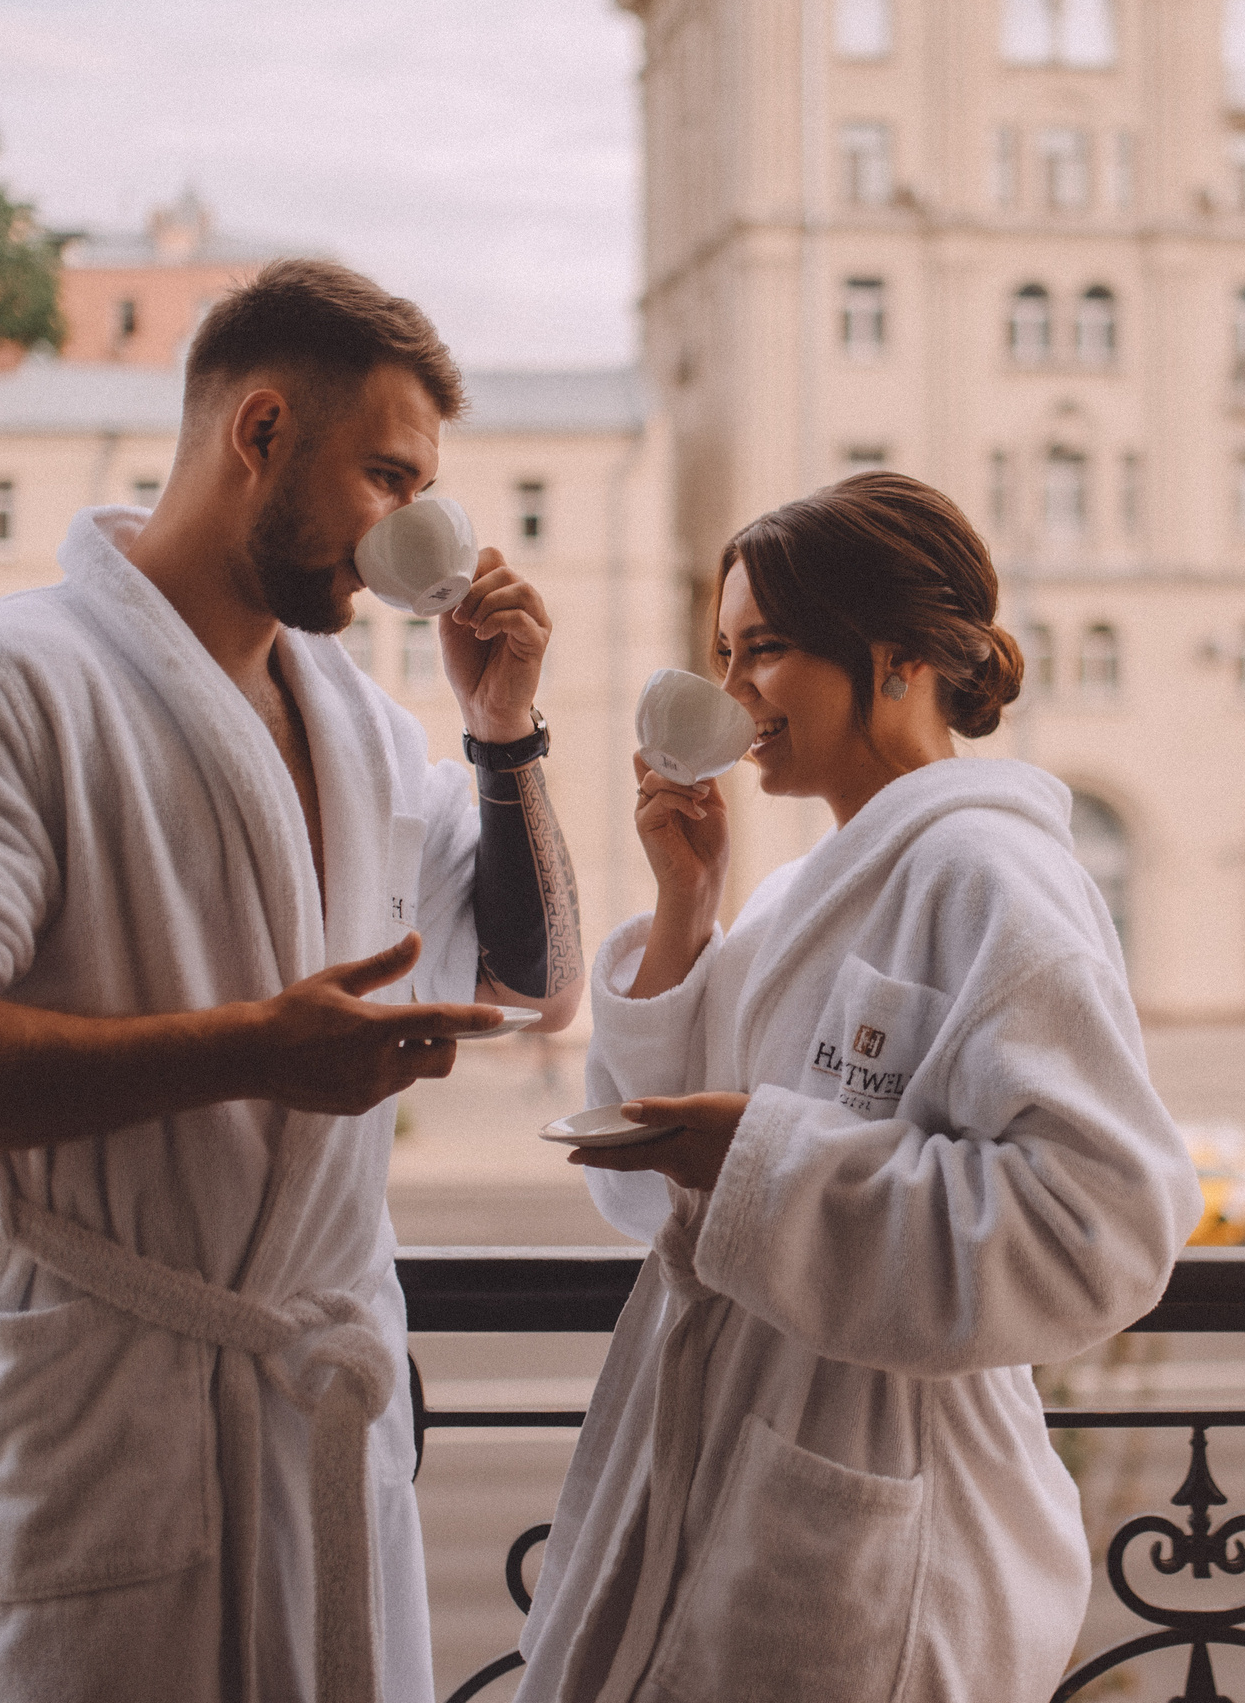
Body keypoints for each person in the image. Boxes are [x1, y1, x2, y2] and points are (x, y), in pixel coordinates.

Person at [0, 259, 586, 1703]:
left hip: (317, 1413)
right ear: (260, 432)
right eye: (387, 480)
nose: (412, 535)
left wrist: (503, 731)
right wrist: (250, 1052)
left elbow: (536, 978)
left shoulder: (361, 726)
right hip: (101, 1414)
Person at [510, 472, 1201, 1703]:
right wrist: (685, 904)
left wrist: (762, 1163)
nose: (733, 691)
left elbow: (1100, 1231)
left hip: (881, 1485)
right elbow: (658, 1187)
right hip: (733, 1438)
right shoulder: (804, 889)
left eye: (765, 649)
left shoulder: (989, 876)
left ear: (895, 659)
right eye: (724, 653)